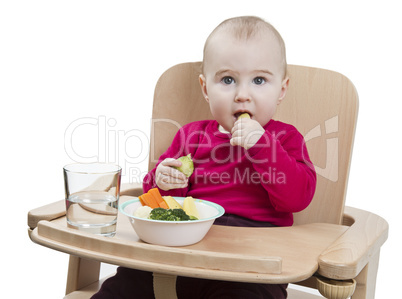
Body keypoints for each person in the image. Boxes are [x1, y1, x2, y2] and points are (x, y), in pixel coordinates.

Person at [93, 15, 316, 299]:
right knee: (121, 285)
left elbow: (297, 198)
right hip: (174, 258)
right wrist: (163, 180)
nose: (242, 95)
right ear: (205, 88)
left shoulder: (285, 139)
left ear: (281, 90)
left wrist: (262, 146)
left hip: (249, 270)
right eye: (227, 80)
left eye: (259, 80)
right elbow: (157, 200)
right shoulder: (191, 136)